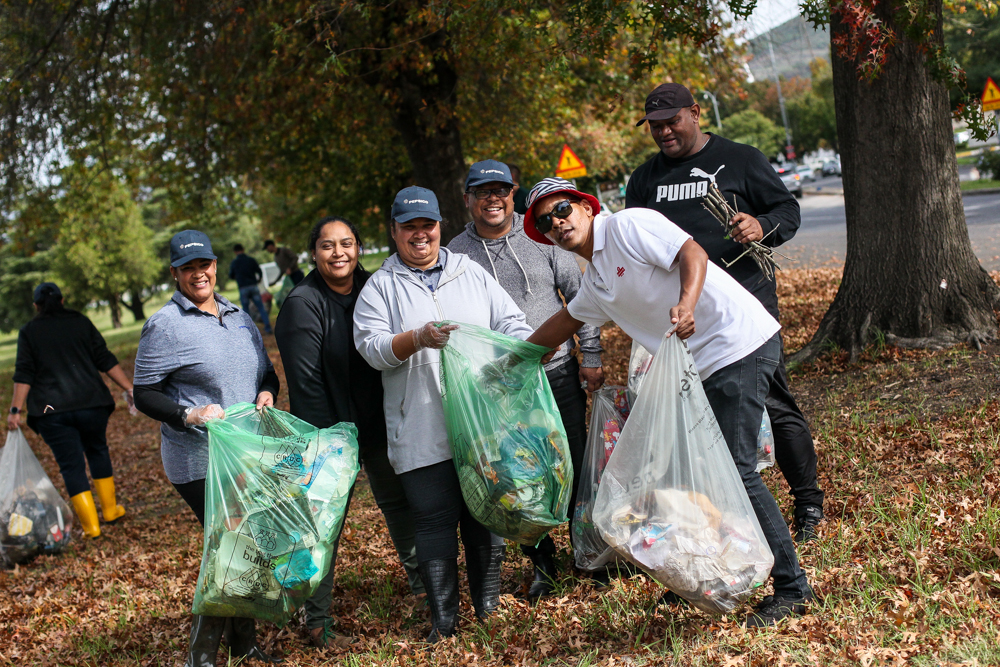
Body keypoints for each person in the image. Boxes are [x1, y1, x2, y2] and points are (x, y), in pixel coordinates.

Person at [521, 177, 814, 627]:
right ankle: (705, 573)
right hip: (699, 366)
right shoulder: (596, 281)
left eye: (562, 211)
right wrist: (506, 362)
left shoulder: (628, 226)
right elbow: (563, 322)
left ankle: (793, 587)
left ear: (586, 207)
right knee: (688, 472)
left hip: (735, 343)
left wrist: (687, 303)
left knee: (734, 470)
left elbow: (692, 254)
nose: (556, 223)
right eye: (545, 222)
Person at [625, 82, 825, 541]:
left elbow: (787, 210)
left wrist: (762, 225)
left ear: (695, 113)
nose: (663, 132)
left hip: (747, 309)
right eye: (655, 126)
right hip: (685, 317)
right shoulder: (644, 180)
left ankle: (808, 503)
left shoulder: (740, 159)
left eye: (671, 121)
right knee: (697, 415)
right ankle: (719, 514)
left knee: (773, 403)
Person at [353, 186, 534, 642]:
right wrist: (416, 338)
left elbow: (512, 321)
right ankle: (444, 623)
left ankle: (488, 610)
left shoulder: (467, 271)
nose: (420, 235)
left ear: (439, 226)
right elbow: (372, 349)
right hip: (420, 423)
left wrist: (510, 357)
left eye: (427, 225)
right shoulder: (381, 286)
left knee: (483, 513)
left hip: (481, 423)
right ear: (394, 231)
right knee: (433, 519)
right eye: (409, 227)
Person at [447, 159, 604, 600]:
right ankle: (544, 565)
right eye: (481, 192)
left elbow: (580, 296)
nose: (491, 199)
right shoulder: (457, 253)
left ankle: (588, 553)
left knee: (571, 463)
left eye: (500, 190)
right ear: (468, 200)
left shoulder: (541, 233)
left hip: (556, 373)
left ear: (512, 194)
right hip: (499, 388)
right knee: (519, 477)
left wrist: (590, 353)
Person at [132, 230, 282, 667]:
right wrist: (187, 414)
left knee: (245, 541)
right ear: (175, 273)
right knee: (230, 543)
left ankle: (242, 643)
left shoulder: (238, 316)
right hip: (197, 457)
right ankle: (202, 656)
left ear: (216, 266)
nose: (199, 274)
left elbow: (266, 373)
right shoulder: (165, 324)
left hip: (246, 451)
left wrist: (267, 394)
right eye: (188, 268)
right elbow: (145, 393)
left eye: (205, 265)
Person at [274, 216, 424, 649]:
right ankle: (317, 621)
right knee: (323, 526)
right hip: (329, 436)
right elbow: (305, 387)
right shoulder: (302, 304)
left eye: (347, 243)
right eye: (327, 246)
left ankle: (422, 590)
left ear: (359, 246)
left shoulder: (373, 287)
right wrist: (334, 447)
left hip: (379, 424)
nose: (338, 253)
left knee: (400, 507)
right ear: (314, 253)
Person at [8, 282, 131, 539]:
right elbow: (104, 358)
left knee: (71, 466)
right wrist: (129, 387)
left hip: (52, 412)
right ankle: (110, 510)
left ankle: (91, 527)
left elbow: (24, 374)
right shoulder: (80, 322)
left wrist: (15, 410)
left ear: (36, 306)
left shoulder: (29, 332)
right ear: (62, 301)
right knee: (97, 451)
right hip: (91, 403)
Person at [229, 243, 273, 334]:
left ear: (235, 252)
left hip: (243, 288)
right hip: (253, 286)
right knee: (261, 307)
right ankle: (268, 327)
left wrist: (238, 277)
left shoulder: (234, 263)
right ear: (243, 249)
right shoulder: (250, 260)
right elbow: (259, 270)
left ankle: (249, 331)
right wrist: (259, 279)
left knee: (246, 310)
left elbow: (231, 275)